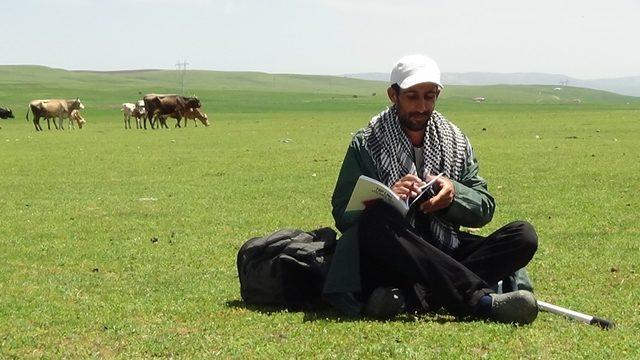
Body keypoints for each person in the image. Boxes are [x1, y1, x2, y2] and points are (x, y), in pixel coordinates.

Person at [322, 54, 539, 324]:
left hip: (444, 248)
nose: (422, 106)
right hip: (391, 255)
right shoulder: (367, 142)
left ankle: (417, 298)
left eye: (429, 96)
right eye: (412, 96)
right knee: (377, 219)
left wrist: (454, 195)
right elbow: (343, 213)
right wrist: (390, 195)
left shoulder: (455, 140)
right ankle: (478, 301)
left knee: (523, 236)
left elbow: (484, 207)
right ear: (393, 95)